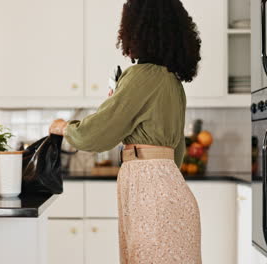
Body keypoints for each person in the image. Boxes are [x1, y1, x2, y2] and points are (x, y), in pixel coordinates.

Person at [49, 0, 202, 263]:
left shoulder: (140, 75)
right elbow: (176, 154)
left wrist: (65, 128)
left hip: (151, 197)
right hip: (172, 193)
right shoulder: (172, 82)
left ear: (137, 30)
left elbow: (98, 133)